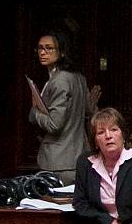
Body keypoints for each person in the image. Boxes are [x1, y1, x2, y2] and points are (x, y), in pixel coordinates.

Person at [27, 30, 91, 174]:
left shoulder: (59, 80)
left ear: (62, 52)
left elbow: (54, 124)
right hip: (77, 155)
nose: (42, 52)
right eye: (40, 48)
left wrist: (34, 112)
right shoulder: (79, 77)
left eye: (49, 48)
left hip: (58, 161)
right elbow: (88, 110)